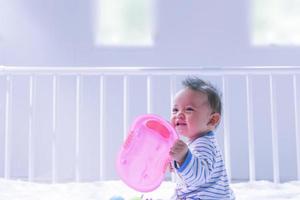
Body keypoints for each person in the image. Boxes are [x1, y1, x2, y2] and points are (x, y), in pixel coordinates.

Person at [169, 76, 235, 199]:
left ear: (212, 119)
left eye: (189, 109)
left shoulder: (204, 144)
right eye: (175, 109)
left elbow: (199, 177)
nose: (179, 114)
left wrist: (183, 158)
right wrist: (175, 161)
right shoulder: (197, 142)